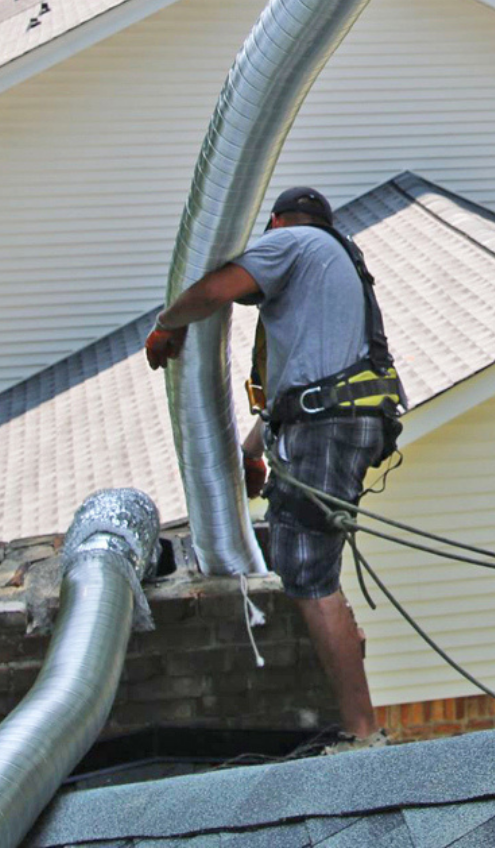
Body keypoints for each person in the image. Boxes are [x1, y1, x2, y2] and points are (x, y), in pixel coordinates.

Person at [147, 185, 403, 751]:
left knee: (310, 576)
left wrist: (168, 323)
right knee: (313, 563)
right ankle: (355, 688)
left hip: (329, 426)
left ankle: (363, 734)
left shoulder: (290, 241)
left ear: (277, 221)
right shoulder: (334, 263)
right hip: (341, 418)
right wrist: (252, 450)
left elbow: (216, 289)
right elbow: (303, 383)